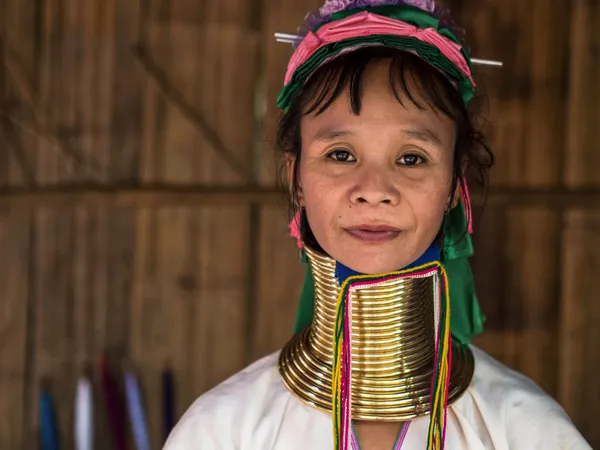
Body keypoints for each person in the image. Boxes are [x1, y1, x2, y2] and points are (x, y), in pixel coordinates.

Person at [164, 1, 591, 449]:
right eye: (340, 155)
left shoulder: (526, 431)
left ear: (453, 186)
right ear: (296, 179)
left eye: (411, 158)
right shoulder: (221, 431)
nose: (373, 189)